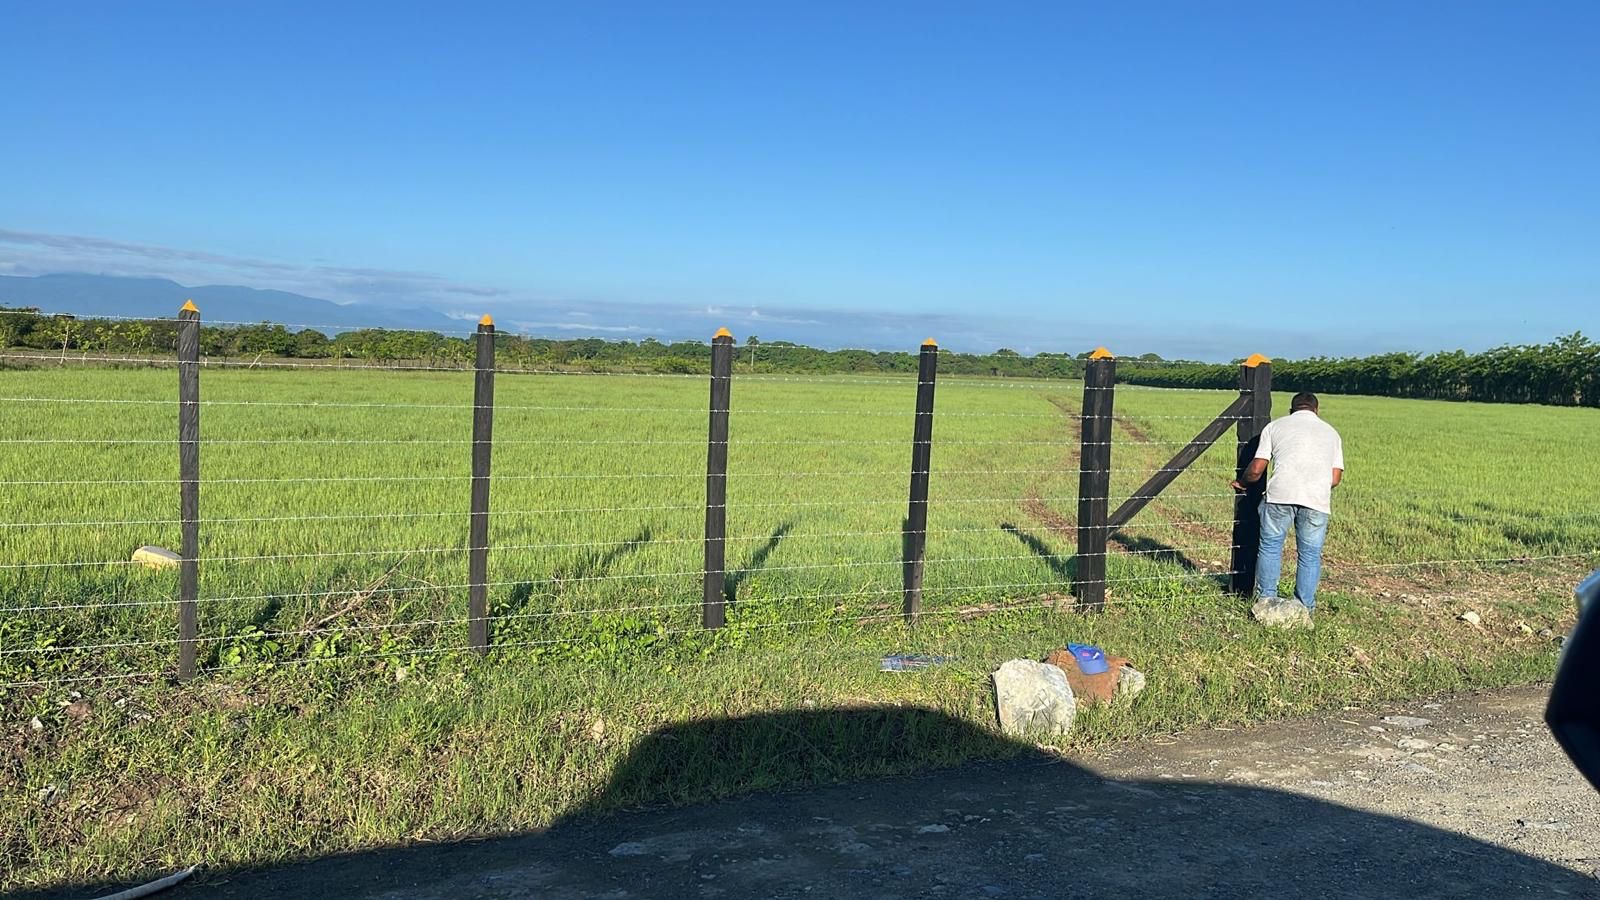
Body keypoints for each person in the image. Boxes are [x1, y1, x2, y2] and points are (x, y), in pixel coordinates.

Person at [1230, 392, 1344, 612]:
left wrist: (1242, 482)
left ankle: (1266, 601)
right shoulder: (1331, 433)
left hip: (1280, 495)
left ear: (1291, 410)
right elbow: (1335, 478)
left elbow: (1257, 469)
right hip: (1316, 500)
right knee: (1309, 554)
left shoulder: (1275, 427)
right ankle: (1305, 608)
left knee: (1271, 547)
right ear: (1316, 410)